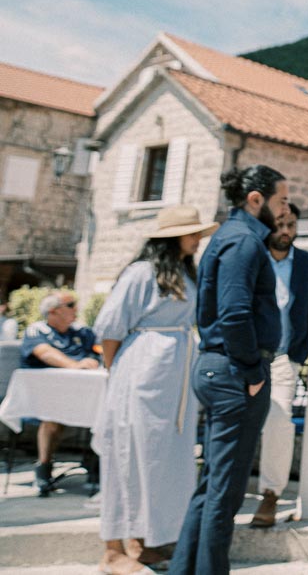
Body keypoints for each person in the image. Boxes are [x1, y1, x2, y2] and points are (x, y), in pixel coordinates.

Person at [170, 165, 289, 575]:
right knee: (225, 491)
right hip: (235, 374)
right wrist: (253, 371)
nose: (285, 208)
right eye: (281, 200)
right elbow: (235, 314)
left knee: (213, 487)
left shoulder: (229, 237)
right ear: (256, 200)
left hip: (221, 370)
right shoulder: (243, 242)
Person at [94, 206, 217, 575]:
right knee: (129, 453)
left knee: (163, 458)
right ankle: (114, 549)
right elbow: (111, 330)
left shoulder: (185, 273)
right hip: (141, 370)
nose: (198, 239)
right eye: (191, 232)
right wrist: (120, 376)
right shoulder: (139, 273)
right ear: (170, 236)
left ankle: (148, 541)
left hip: (175, 376)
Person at [250, 202, 308, 529]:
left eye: (291, 224)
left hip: (282, 358)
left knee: (278, 421)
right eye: (280, 224)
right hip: (248, 356)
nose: (286, 231)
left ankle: (270, 494)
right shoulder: (252, 258)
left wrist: (299, 354)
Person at [20, 290, 100, 497]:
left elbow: (98, 349)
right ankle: (44, 467)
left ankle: (95, 464)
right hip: (47, 395)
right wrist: (75, 365)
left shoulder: (81, 332)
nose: (76, 309)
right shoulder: (37, 330)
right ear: (54, 311)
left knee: (102, 411)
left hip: (85, 392)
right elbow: (45, 353)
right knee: (52, 417)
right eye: (71, 305)